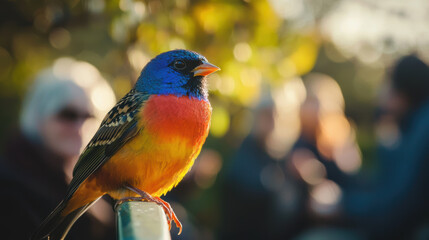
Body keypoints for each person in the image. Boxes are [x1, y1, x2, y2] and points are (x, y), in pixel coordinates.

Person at [0, 69, 115, 240]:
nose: (80, 127)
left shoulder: (91, 173)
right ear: (38, 116)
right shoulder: (9, 187)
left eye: (90, 116)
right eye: (68, 115)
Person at [340, 55, 429, 240]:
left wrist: (342, 206)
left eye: (386, 84)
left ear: (402, 90)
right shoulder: (413, 126)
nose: (380, 93)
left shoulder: (423, 129)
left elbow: (396, 208)